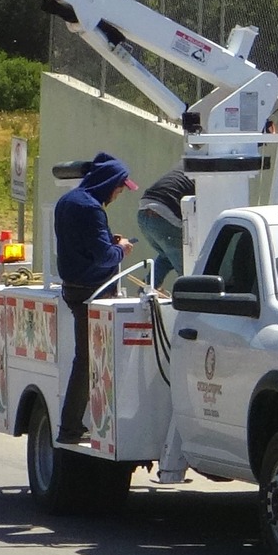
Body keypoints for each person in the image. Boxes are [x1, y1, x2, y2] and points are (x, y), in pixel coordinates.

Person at [52, 151, 138, 445]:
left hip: (72, 288)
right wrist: (123, 249)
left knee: (86, 359)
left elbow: (84, 245)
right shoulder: (91, 209)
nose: (119, 195)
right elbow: (103, 257)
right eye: (119, 188)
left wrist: (108, 243)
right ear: (109, 183)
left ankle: (77, 424)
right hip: (93, 292)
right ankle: (71, 427)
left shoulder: (68, 201)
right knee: (88, 361)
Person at [137, 167, 194, 282]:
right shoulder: (206, 173)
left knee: (166, 256)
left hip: (143, 213)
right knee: (188, 269)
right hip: (163, 213)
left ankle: (147, 288)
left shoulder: (187, 166)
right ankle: (188, 296)